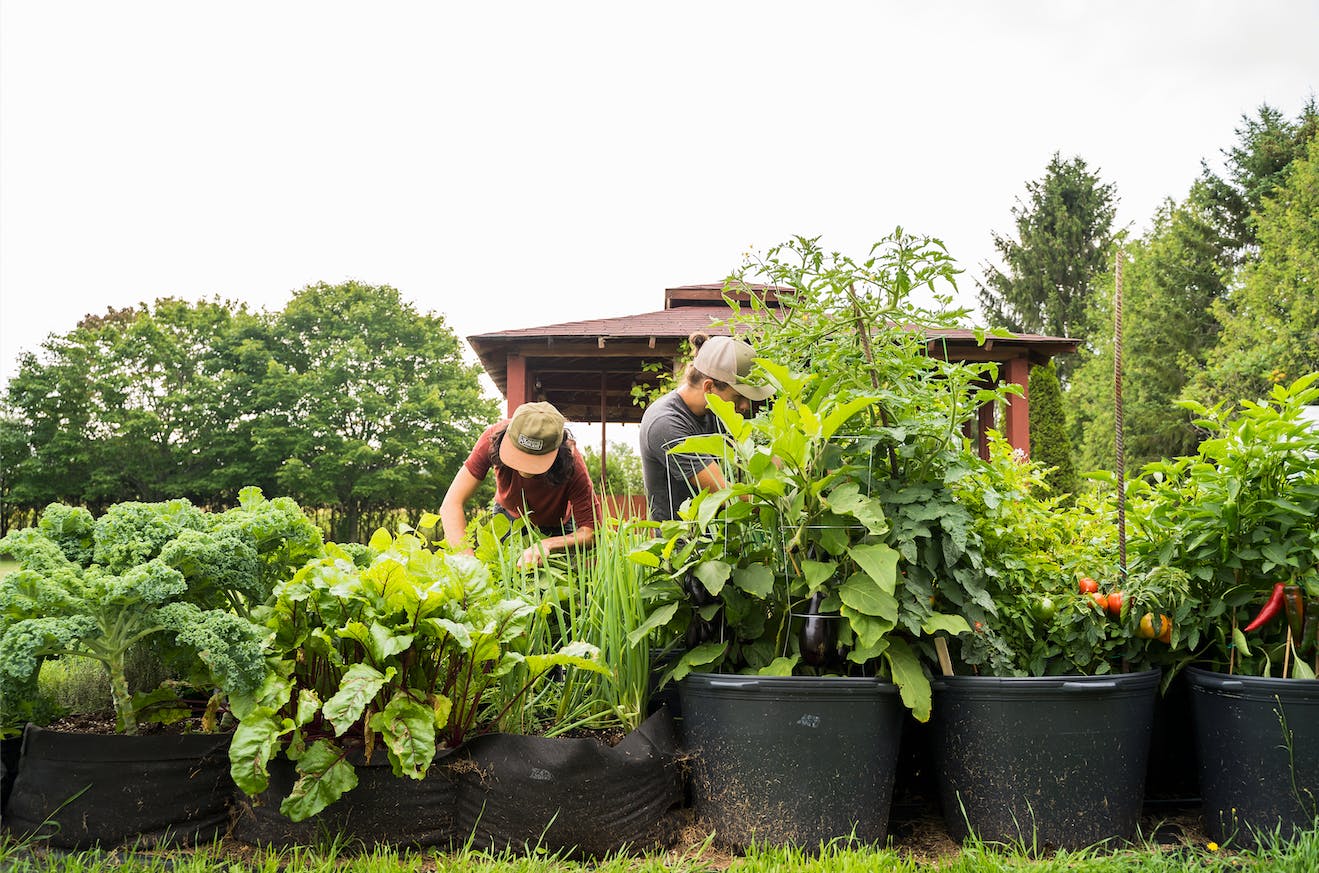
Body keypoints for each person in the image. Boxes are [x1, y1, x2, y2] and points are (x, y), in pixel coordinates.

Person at [441, 401, 600, 567]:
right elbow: (451, 504)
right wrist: (468, 565)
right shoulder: (493, 438)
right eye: (520, 455)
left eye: (534, 460)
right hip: (509, 515)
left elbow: (590, 533)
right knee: (506, 575)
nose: (524, 468)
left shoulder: (572, 464)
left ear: (556, 451)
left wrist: (548, 544)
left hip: (557, 524)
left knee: (559, 581)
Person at [639, 332, 774, 522]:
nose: (745, 406)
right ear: (709, 387)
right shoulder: (666, 423)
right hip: (681, 545)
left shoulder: (714, 411)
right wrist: (783, 496)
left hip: (715, 539)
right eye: (738, 396)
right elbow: (726, 494)